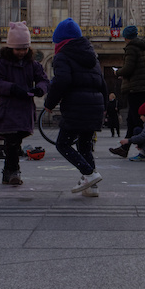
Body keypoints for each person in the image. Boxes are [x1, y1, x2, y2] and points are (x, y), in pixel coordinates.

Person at [43, 18, 106, 196]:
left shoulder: (62, 56)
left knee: (62, 144)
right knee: (85, 146)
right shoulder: (92, 57)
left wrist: (49, 103)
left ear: (60, 41)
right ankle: (92, 187)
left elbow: (62, 81)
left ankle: (89, 173)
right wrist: (104, 108)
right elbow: (102, 84)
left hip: (76, 108)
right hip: (94, 107)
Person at [0, 21, 49, 186]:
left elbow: (43, 79)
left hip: (23, 109)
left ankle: (8, 173)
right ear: (10, 48)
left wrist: (39, 89)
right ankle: (14, 172)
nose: (21, 52)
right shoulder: (1, 63)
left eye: (24, 49)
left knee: (14, 142)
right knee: (12, 141)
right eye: (18, 49)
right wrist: (12, 88)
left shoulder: (33, 64)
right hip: (7, 108)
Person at [109, 25, 145, 158]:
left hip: (136, 88)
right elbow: (144, 68)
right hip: (144, 86)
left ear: (126, 37)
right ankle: (125, 148)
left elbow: (128, 68)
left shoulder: (131, 48)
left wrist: (118, 72)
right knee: (131, 120)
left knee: (137, 120)